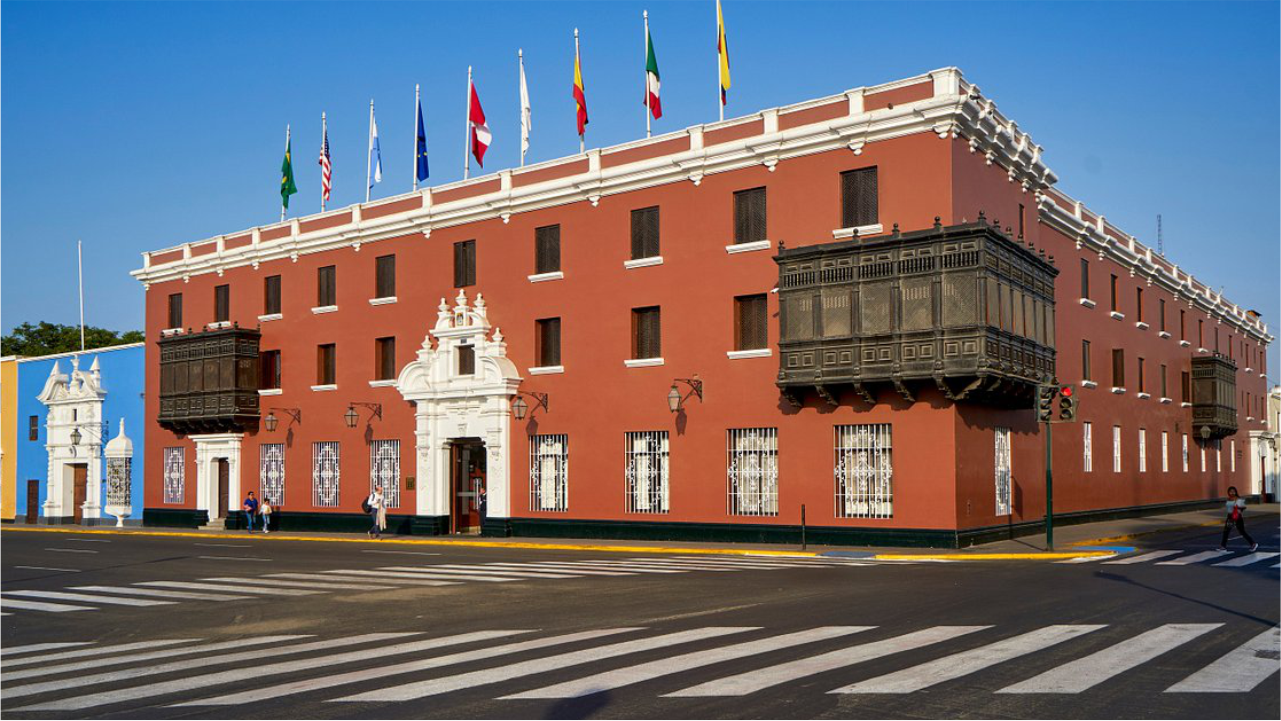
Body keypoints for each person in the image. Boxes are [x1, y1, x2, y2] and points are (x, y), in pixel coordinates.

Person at [1219, 486, 1259, 552]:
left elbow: (1243, 507)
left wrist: (1239, 510)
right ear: (1228, 492)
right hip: (1230, 517)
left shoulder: (1237, 499)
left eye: (1233, 491)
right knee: (1226, 531)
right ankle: (1223, 546)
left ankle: (1253, 543)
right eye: (1230, 491)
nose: (1232, 493)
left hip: (1237, 517)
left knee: (1242, 531)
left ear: (1235, 492)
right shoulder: (1229, 499)